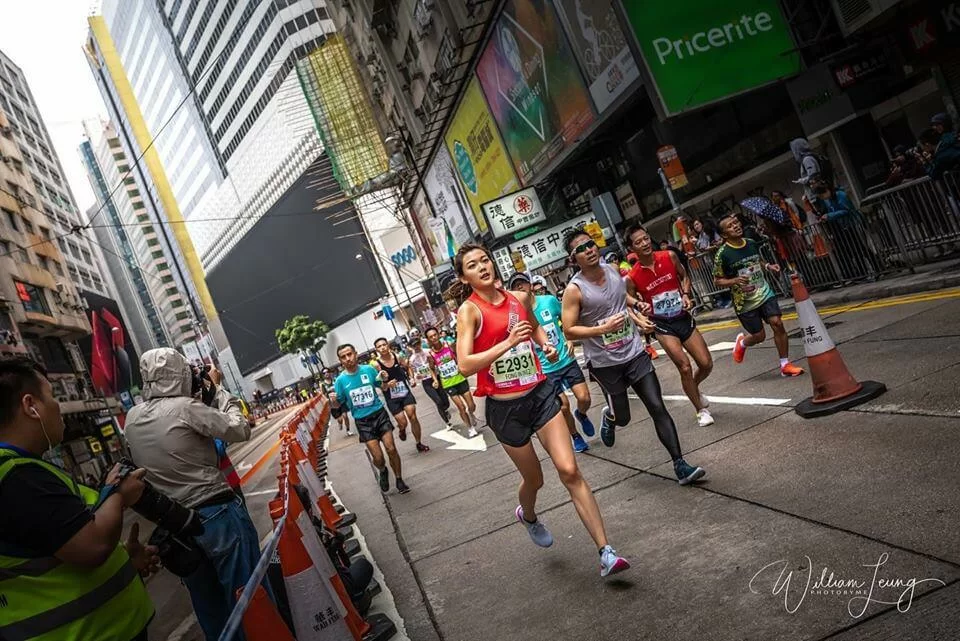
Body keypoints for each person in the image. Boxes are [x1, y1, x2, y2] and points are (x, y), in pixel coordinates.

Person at [453, 243, 630, 577]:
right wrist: (506, 343)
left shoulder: (517, 299)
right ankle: (528, 515)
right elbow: (464, 365)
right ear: (465, 276)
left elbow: (532, 326)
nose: (483, 267)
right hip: (506, 410)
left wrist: (545, 344)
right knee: (534, 479)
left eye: (485, 260)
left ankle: (607, 552)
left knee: (569, 470)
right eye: (473, 265)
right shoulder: (469, 312)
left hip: (540, 395)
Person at [0, 357, 157, 641]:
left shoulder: (25, 470)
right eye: (52, 395)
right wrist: (118, 494)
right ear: (30, 406)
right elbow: (92, 546)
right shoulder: (15, 475)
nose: (57, 405)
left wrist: (123, 559)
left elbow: (52, 552)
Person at [124, 348, 265, 640]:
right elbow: (239, 429)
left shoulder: (132, 419)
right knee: (249, 597)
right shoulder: (186, 407)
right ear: (180, 374)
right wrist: (220, 392)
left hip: (177, 526)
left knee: (210, 608)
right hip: (217, 515)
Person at [561, 227, 706, 486]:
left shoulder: (613, 271)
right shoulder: (574, 290)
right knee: (624, 418)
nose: (589, 250)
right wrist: (601, 329)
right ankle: (610, 416)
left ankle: (680, 464)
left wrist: (636, 309)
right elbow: (569, 330)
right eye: (580, 249)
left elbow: (620, 301)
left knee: (657, 406)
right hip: (606, 364)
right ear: (573, 259)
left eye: (590, 244)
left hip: (635, 352)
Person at [624, 223, 715, 427]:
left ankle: (694, 386)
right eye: (638, 242)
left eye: (646, 238)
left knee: (706, 363)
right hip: (662, 324)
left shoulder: (668, 256)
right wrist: (641, 317)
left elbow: (684, 276)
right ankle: (700, 410)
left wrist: (685, 294)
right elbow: (628, 303)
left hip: (682, 317)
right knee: (684, 366)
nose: (645, 243)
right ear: (632, 249)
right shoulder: (632, 277)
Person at [508, 272, 596, 453]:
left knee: (584, 398)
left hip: (566, 359)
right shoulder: (517, 315)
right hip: (546, 368)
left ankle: (581, 414)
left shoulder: (548, 301)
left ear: (530, 285)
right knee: (563, 406)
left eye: (522, 284)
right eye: (516, 287)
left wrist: (569, 337)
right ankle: (575, 436)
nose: (520, 288)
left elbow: (566, 320)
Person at [713, 214, 806, 378]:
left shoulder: (750, 243)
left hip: (764, 291)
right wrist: (735, 280)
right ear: (724, 235)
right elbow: (717, 280)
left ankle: (785, 364)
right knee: (759, 336)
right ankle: (742, 343)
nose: (736, 226)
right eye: (730, 225)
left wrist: (769, 266)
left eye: (736, 223)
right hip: (745, 301)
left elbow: (758, 260)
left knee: (777, 323)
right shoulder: (722, 254)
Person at [329, 344, 410, 494]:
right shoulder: (340, 381)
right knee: (378, 458)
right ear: (340, 360)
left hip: (379, 414)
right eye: (343, 357)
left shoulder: (368, 370)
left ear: (355, 353)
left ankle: (399, 480)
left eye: (349, 354)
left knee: (391, 448)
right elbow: (338, 404)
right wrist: (333, 400)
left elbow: (383, 388)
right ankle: (383, 470)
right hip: (363, 422)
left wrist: (385, 380)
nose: (348, 359)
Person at [373, 337, 430, 453]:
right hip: (391, 397)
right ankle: (402, 429)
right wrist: (387, 384)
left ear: (388, 345)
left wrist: (411, 378)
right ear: (376, 350)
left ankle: (419, 443)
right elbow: (377, 383)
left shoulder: (397, 356)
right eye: (379, 346)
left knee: (412, 416)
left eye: (384, 344)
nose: (383, 347)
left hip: (404, 392)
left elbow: (407, 366)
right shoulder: (376, 365)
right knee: (403, 422)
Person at [426, 326, 481, 437]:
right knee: (460, 407)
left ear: (439, 334)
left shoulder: (449, 345)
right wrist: (435, 380)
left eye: (435, 335)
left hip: (460, 378)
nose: (433, 338)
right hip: (448, 383)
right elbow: (431, 368)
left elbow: (460, 357)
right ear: (428, 340)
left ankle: (471, 414)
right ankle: (470, 428)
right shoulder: (430, 354)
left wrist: (463, 367)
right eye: (430, 337)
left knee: (471, 405)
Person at [407, 328, 453, 428]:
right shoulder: (412, 359)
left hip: (436, 377)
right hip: (426, 382)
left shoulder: (428, 352)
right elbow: (412, 370)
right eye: (414, 345)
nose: (416, 347)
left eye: (417, 344)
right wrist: (414, 377)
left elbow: (437, 362)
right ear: (411, 347)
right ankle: (447, 422)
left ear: (420, 343)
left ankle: (445, 410)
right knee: (438, 401)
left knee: (445, 400)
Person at [322, 369, 354, 436]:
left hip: (341, 401)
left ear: (330, 373)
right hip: (333, 405)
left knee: (345, 416)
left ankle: (348, 430)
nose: (326, 373)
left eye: (328, 372)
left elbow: (342, 388)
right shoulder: (323, 384)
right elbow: (323, 395)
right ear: (323, 375)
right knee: (340, 419)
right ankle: (340, 423)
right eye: (324, 373)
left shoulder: (336, 380)